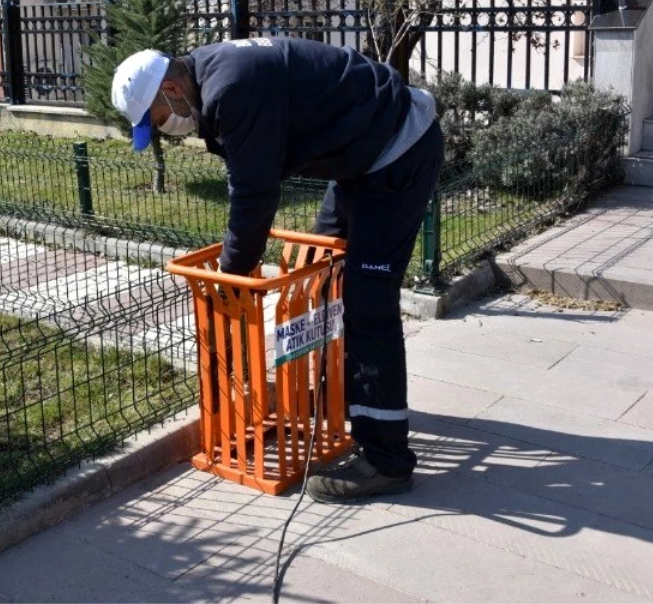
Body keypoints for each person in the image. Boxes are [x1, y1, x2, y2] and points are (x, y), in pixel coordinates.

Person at [111, 37, 444, 502]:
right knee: (322, 273)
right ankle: (349, 401)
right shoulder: (213, 76)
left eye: (161, 119)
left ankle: (387, 459)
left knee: (369, 303)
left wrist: (233, 281)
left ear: (170, 87)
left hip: (397, 148)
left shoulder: (231, 89)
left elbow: (255, 195)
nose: (169, 129)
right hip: (360, 154)